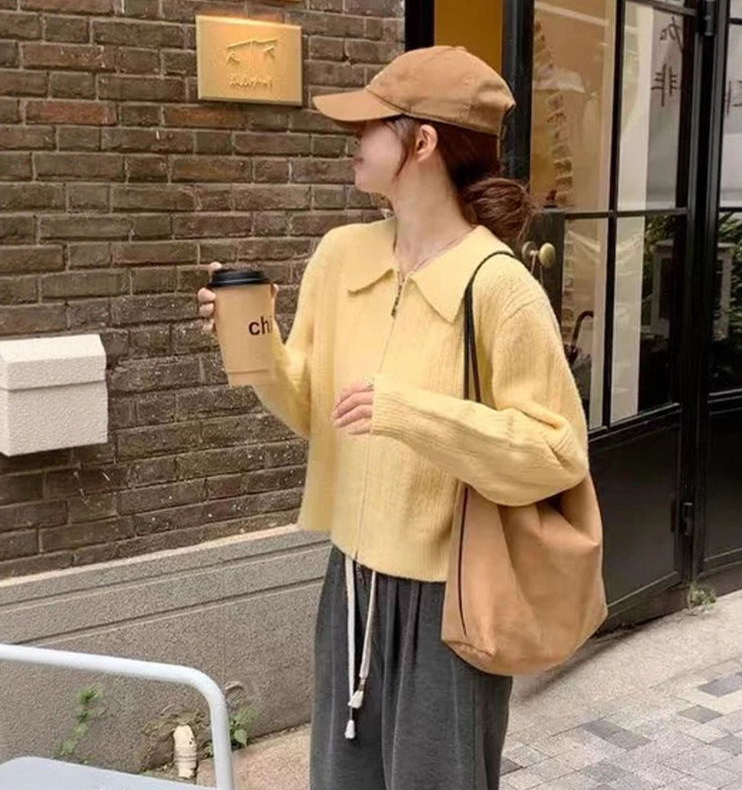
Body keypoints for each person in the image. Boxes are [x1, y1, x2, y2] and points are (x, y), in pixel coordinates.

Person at [196, 45, 589, 790]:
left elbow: (556, 453)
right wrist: (252, 341)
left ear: (424, 141)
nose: (353, 141)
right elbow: (314, 409)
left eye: (370, 126)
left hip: (453, 598)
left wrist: (412, 413)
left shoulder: (498, 285)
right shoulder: (342, 255)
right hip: (348, 581)